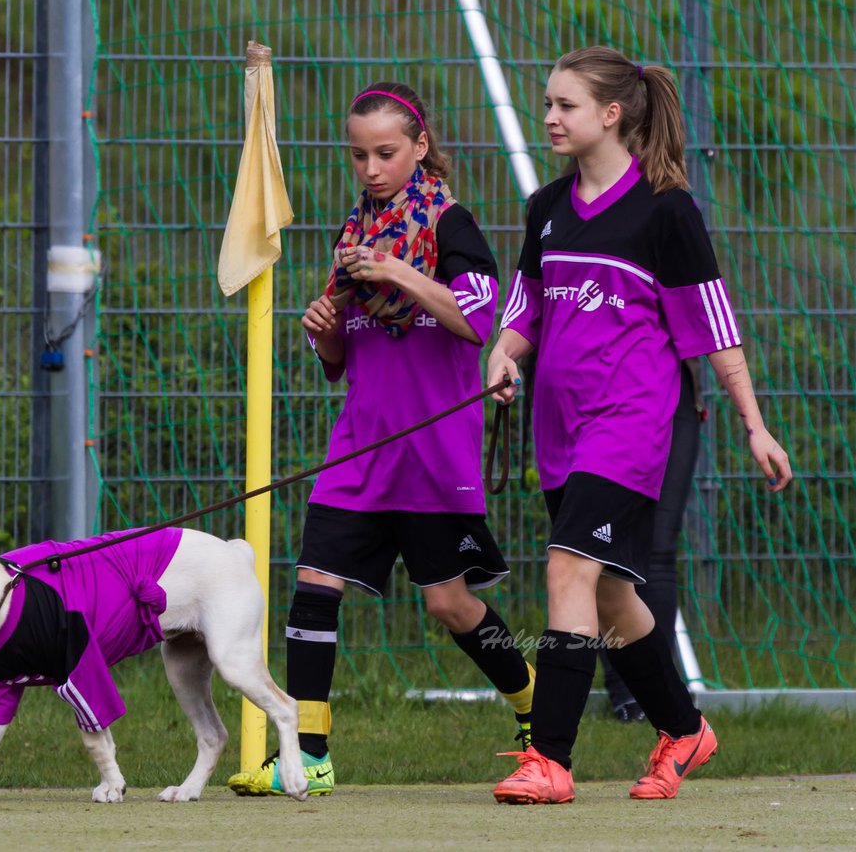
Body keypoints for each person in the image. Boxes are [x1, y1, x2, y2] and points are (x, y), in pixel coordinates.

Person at [487, 46, 792, 804]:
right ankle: (685, 730)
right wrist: (503, 352)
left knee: (567, 570)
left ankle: (549, 759)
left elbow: (716, 329)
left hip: (633, 424)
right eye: (548, 103)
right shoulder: (547, 209)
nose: (549, 117)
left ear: (612, 114)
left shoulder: (665, 210)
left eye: (565, 106)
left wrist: (753, 423)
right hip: (557, 429)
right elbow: (528, 303)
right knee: (616, 595)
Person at [227, 81, 535, 798]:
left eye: (386, 153)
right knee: (312, 589)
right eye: (359, 154)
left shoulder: (449, 223)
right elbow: (341, 363)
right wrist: (326, 334)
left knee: (450, 606)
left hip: (433, 456)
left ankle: (532, 707)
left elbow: (475, 319)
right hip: (358, 452)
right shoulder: (352, 235)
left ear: (420, 148)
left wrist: (399, 270)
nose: (370, 168)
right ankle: (308, 756)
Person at [599, 360, 701, 722]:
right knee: (592, 557)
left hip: (667, 398)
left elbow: (708, 328)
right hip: (590, 398)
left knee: (658, 552)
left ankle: (657, 696)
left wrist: (753, 422)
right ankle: (624, 692)